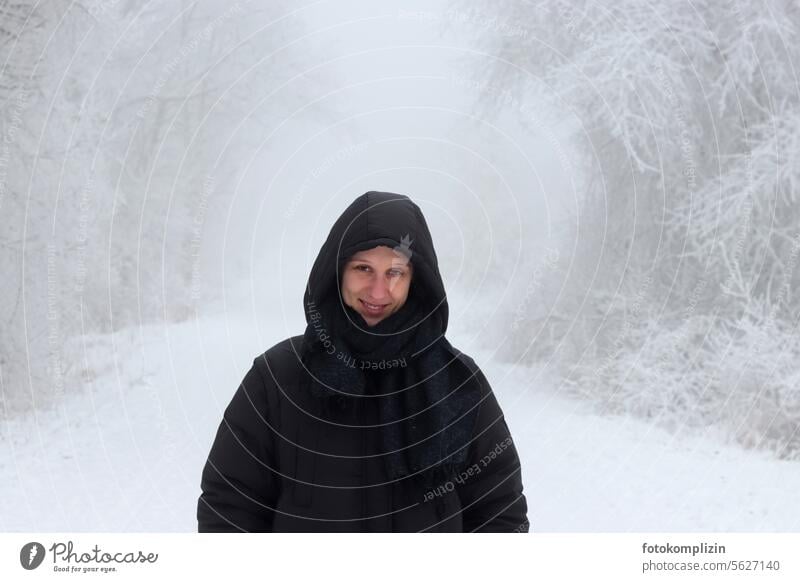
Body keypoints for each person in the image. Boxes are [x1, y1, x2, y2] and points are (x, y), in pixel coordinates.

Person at [197, 191, 529, 532]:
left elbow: (499, 514)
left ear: (418, 280)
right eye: (363, 268)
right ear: (336, 271)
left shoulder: (458, 382)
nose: (378, 291)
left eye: (395, 272)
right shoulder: (276, 378)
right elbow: (229, 507)